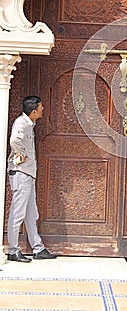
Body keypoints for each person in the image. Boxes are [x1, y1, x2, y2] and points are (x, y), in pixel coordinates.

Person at [7, 96, 57, 262]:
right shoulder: (21, 123)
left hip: (27, 174)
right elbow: (14, 140)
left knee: (30, 213)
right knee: (17, 212)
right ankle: (13, 250)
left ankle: (38, 248)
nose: (43, 109)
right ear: (34, 111)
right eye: (41, 107)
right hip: (21, 173)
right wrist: (21, 154)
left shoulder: (29, 124)